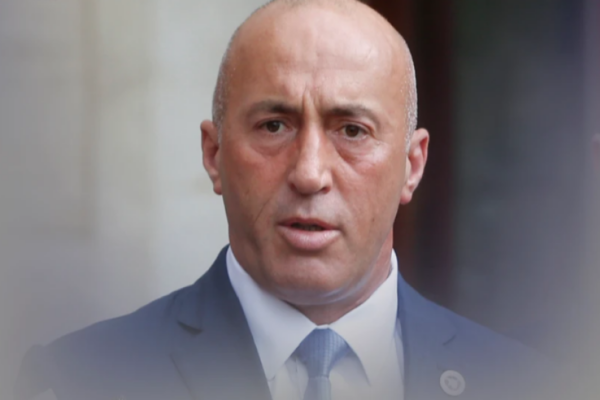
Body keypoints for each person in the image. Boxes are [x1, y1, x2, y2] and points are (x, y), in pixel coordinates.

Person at [15, 1, 558, 399]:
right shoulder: (79, 381)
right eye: (274, 125)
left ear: (411, 165)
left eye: (352, 130)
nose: (309, 173)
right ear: (214, 154)